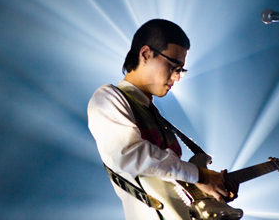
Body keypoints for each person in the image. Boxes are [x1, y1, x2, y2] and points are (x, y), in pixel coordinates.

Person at [87, 19, 237, 219]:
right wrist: (199, 175)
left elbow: (169, 177)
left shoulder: (156, 116)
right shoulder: (108, 97)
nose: (177, 77)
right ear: (145, 54)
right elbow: (130, 155)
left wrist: (210, 191)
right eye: (174, 66)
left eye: (181, 70)